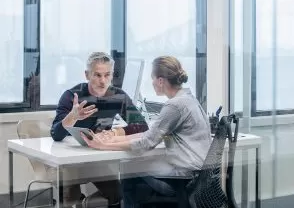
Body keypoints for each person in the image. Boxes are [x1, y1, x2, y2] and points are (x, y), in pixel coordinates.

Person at [81, 55, 211, 207]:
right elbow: (151, 135)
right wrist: (112, 139)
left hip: (184, 178)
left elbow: (145, 143)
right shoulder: (188, 99)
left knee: (129, 168)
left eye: (153, 78)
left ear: (161, 80)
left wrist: (102, 145)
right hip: (197, 174)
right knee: (136, 168)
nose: (152, 82)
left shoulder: (174, 106)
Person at [50, 52, 148, 207]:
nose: (103, 81)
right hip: (69, 161)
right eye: (97, 75)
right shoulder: (71, 96)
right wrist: (71, 117)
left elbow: (141, 126)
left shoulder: (118, 96)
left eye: (107, 75)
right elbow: (56, 134)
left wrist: (114, 132)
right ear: (87, 75)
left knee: (117, 193)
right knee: (69, 197)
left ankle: (87, 203)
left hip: (96, 159)